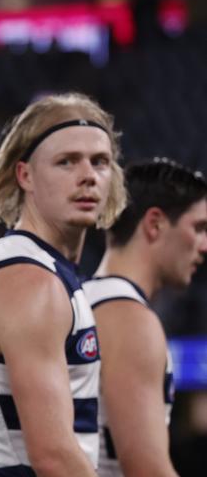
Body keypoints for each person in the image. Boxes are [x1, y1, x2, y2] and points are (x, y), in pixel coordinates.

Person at [0, 92, 127, 476]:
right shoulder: (32, 281)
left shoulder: (34, 267)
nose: (88, 175)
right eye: (67, 161)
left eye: (100, 162)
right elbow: (53, 457)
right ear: (25, 175)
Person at [83, 158, 207, 476]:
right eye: (199, 228)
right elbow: (146, 469)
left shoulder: (83, 301)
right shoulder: (130, 320)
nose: (204, 245)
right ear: (155, 224)